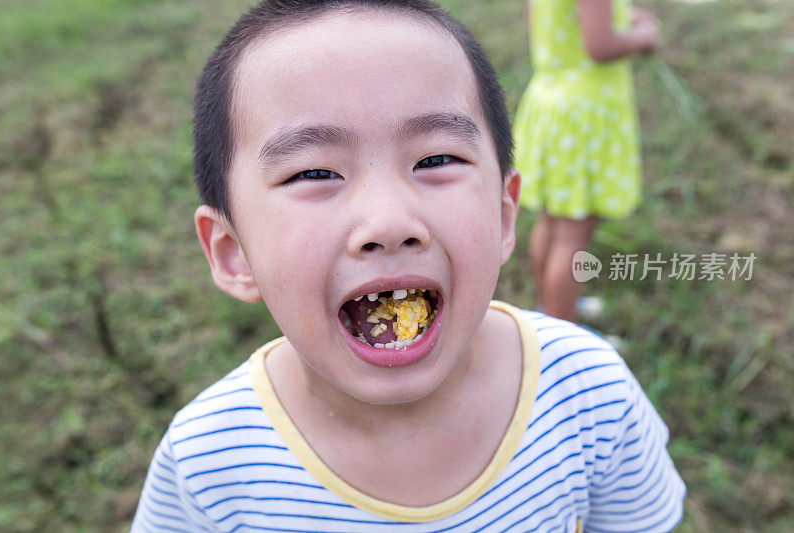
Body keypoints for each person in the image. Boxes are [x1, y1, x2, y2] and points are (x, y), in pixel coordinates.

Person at [132, 1, 684, 531]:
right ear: (234, 253)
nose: (389, 221)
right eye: (314, 174)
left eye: (436, 159)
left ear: (501, 217)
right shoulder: (208, 463)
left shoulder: (590, 393)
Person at [513, 0, 660, 321]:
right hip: (584, 116)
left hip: (554, 102)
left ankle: (550, 307)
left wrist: (622, 15)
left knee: (553, 221)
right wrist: (644, 37)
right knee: (573, 237)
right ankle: (565, 336)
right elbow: (601, 45)